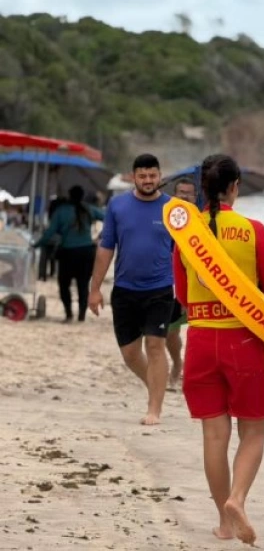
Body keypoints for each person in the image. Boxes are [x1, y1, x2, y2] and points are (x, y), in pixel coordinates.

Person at [173, 154, 264, 546]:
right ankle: (236, 500)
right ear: (235, 186)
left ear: (202, 187)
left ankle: (223, 523)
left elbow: (182, 295)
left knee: (213, 436)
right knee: (253, 431)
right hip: (244, 339)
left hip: (202, 339)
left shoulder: (187, 234)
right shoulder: (253, 230)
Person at [88, 154, 174, 426]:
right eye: (143, 176)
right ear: (133, 176)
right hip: (124, 289)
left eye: (153, 175)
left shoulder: (174, 209)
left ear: (160, 175)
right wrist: (95, 288)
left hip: (160, 288)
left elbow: (188, 252)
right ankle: (156, 385)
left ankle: (154, 409)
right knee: (130, 354)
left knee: (155, 345)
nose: (148, 180)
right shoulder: (118, 205)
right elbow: (106, 247)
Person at [34, 186, 104, 322]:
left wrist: (37, 244)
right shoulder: (89, 209)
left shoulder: (61, 211)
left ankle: (69, 314)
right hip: (87, 252)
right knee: (83, 285)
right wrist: (101, 236)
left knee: (64, 285)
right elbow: (109, 218)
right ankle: (81, 315)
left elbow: (50, 232)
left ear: (69, 195)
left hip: (68, 253)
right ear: (82, 196)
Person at [165, 177, 198, 389]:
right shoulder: (167, 219)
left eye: (189, 193)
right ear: (174, 195)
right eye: (181, 192)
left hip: (198, 283)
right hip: (171, 283)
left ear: (196, 197)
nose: (185, 196)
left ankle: (193, 372)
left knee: (199, 331)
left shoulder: (202, 220)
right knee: (171, 331)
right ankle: (177, 362)